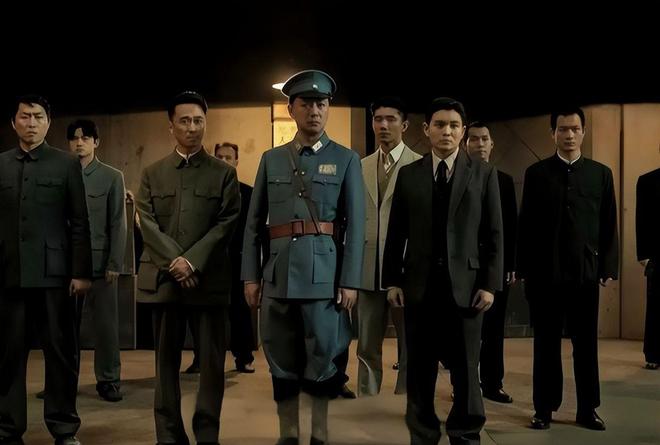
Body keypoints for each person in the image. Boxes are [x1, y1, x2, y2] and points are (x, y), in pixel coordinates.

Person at [242, 69, 365, 445]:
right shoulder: (271, 159)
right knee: (279, 359)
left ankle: (319, 434)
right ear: (291, 109)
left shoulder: (346, 159)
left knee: (322, 358)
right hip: (277, 275)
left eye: (322, 104)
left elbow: (356, 226)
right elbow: (253, 225)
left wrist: (350, 281)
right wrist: (251, 276)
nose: (315, 111)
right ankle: (289, 435)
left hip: (324, 277)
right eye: (307, 104)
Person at [383, 97, 503, 445]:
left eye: (453, 125)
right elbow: (396, 232)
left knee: (466, 370)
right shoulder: (409, 175)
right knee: (420, 370)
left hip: (467, 289)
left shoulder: (483, 174)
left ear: (463, 131)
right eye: (439, 124)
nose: (446, 131)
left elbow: (494, 234)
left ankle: (465, 434)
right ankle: (422, 435)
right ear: (426, 129)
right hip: (419, 288)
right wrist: (392, 280)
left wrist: (490, 285)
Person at [136, 91, 240, 444]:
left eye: (198, 120)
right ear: (171, 126)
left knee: (211, 366)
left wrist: (192, 261)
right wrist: (176, 263)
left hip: (208, 282)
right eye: (184, 121)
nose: (192, 127)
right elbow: (147, 223)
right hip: (166, 282)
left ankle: (207, 433)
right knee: (165, 365)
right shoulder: (152, 173)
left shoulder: (223, 174)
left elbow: (227, 222)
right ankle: (167, 435)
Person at [517, 107, 618, 431]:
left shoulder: (601, 174)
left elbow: (608, 223)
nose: (569, 135)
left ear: (583, 132)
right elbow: (526, 224)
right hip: (545, 274)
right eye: (563, 129)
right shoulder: (536, 173)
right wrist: (522, 267)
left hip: (584, 274)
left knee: (585, 346)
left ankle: (587, 409)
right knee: (545, 345)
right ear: (553, 134)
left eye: (575, 129)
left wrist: (608, 265)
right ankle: (543, 409)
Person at [0, 94, 92, 445]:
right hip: (9, 275)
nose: (32, 123)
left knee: (60, 355)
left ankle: (64, 428)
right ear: (14, 122)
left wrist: (81, 273)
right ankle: (8, 429)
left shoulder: (66, 164)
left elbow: (80, 221)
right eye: (25, 116)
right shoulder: (1, 164)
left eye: (38, 117)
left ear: (48, 122)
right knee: (7, 356)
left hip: (55, 276)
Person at [357, 96, 420, 396]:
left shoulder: (419, 165)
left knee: (411, 343)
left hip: (406, 270)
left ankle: (407, 398)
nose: (383, 125)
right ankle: (367, 398)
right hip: (367, 268)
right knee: (366, 343)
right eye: (378, 119)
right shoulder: (361, 166)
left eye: (391, 119)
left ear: (404, 125)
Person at [66, 119, 127, 402]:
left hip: (101, 263)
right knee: (64, 328)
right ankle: (64, 381)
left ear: (96, 142)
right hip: (67, 265)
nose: (79, 143)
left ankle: (109, 380)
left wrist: (115, 263)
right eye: (74, 138)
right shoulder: (62, 174)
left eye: (86, 138)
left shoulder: (112, 176)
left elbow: (118, 222)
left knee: (105, 327)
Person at [465, 121, 516, 403]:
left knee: (495, 329)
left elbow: (510, 227)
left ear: (492, 144)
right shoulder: (456, 176)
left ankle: (493, 383)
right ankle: (465, 383)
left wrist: (511, 265)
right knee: (467, 330)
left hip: (496, 265)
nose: (480, 144)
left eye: (484, 139)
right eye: (474, 139)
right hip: (465, 266)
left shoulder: (504, 180)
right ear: (465, 144)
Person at [637, 167, 660, 370]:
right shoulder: (648, 180)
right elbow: (641, 218)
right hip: (657, 254)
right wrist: (643, 255)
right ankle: (653, 353)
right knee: (656, 305)